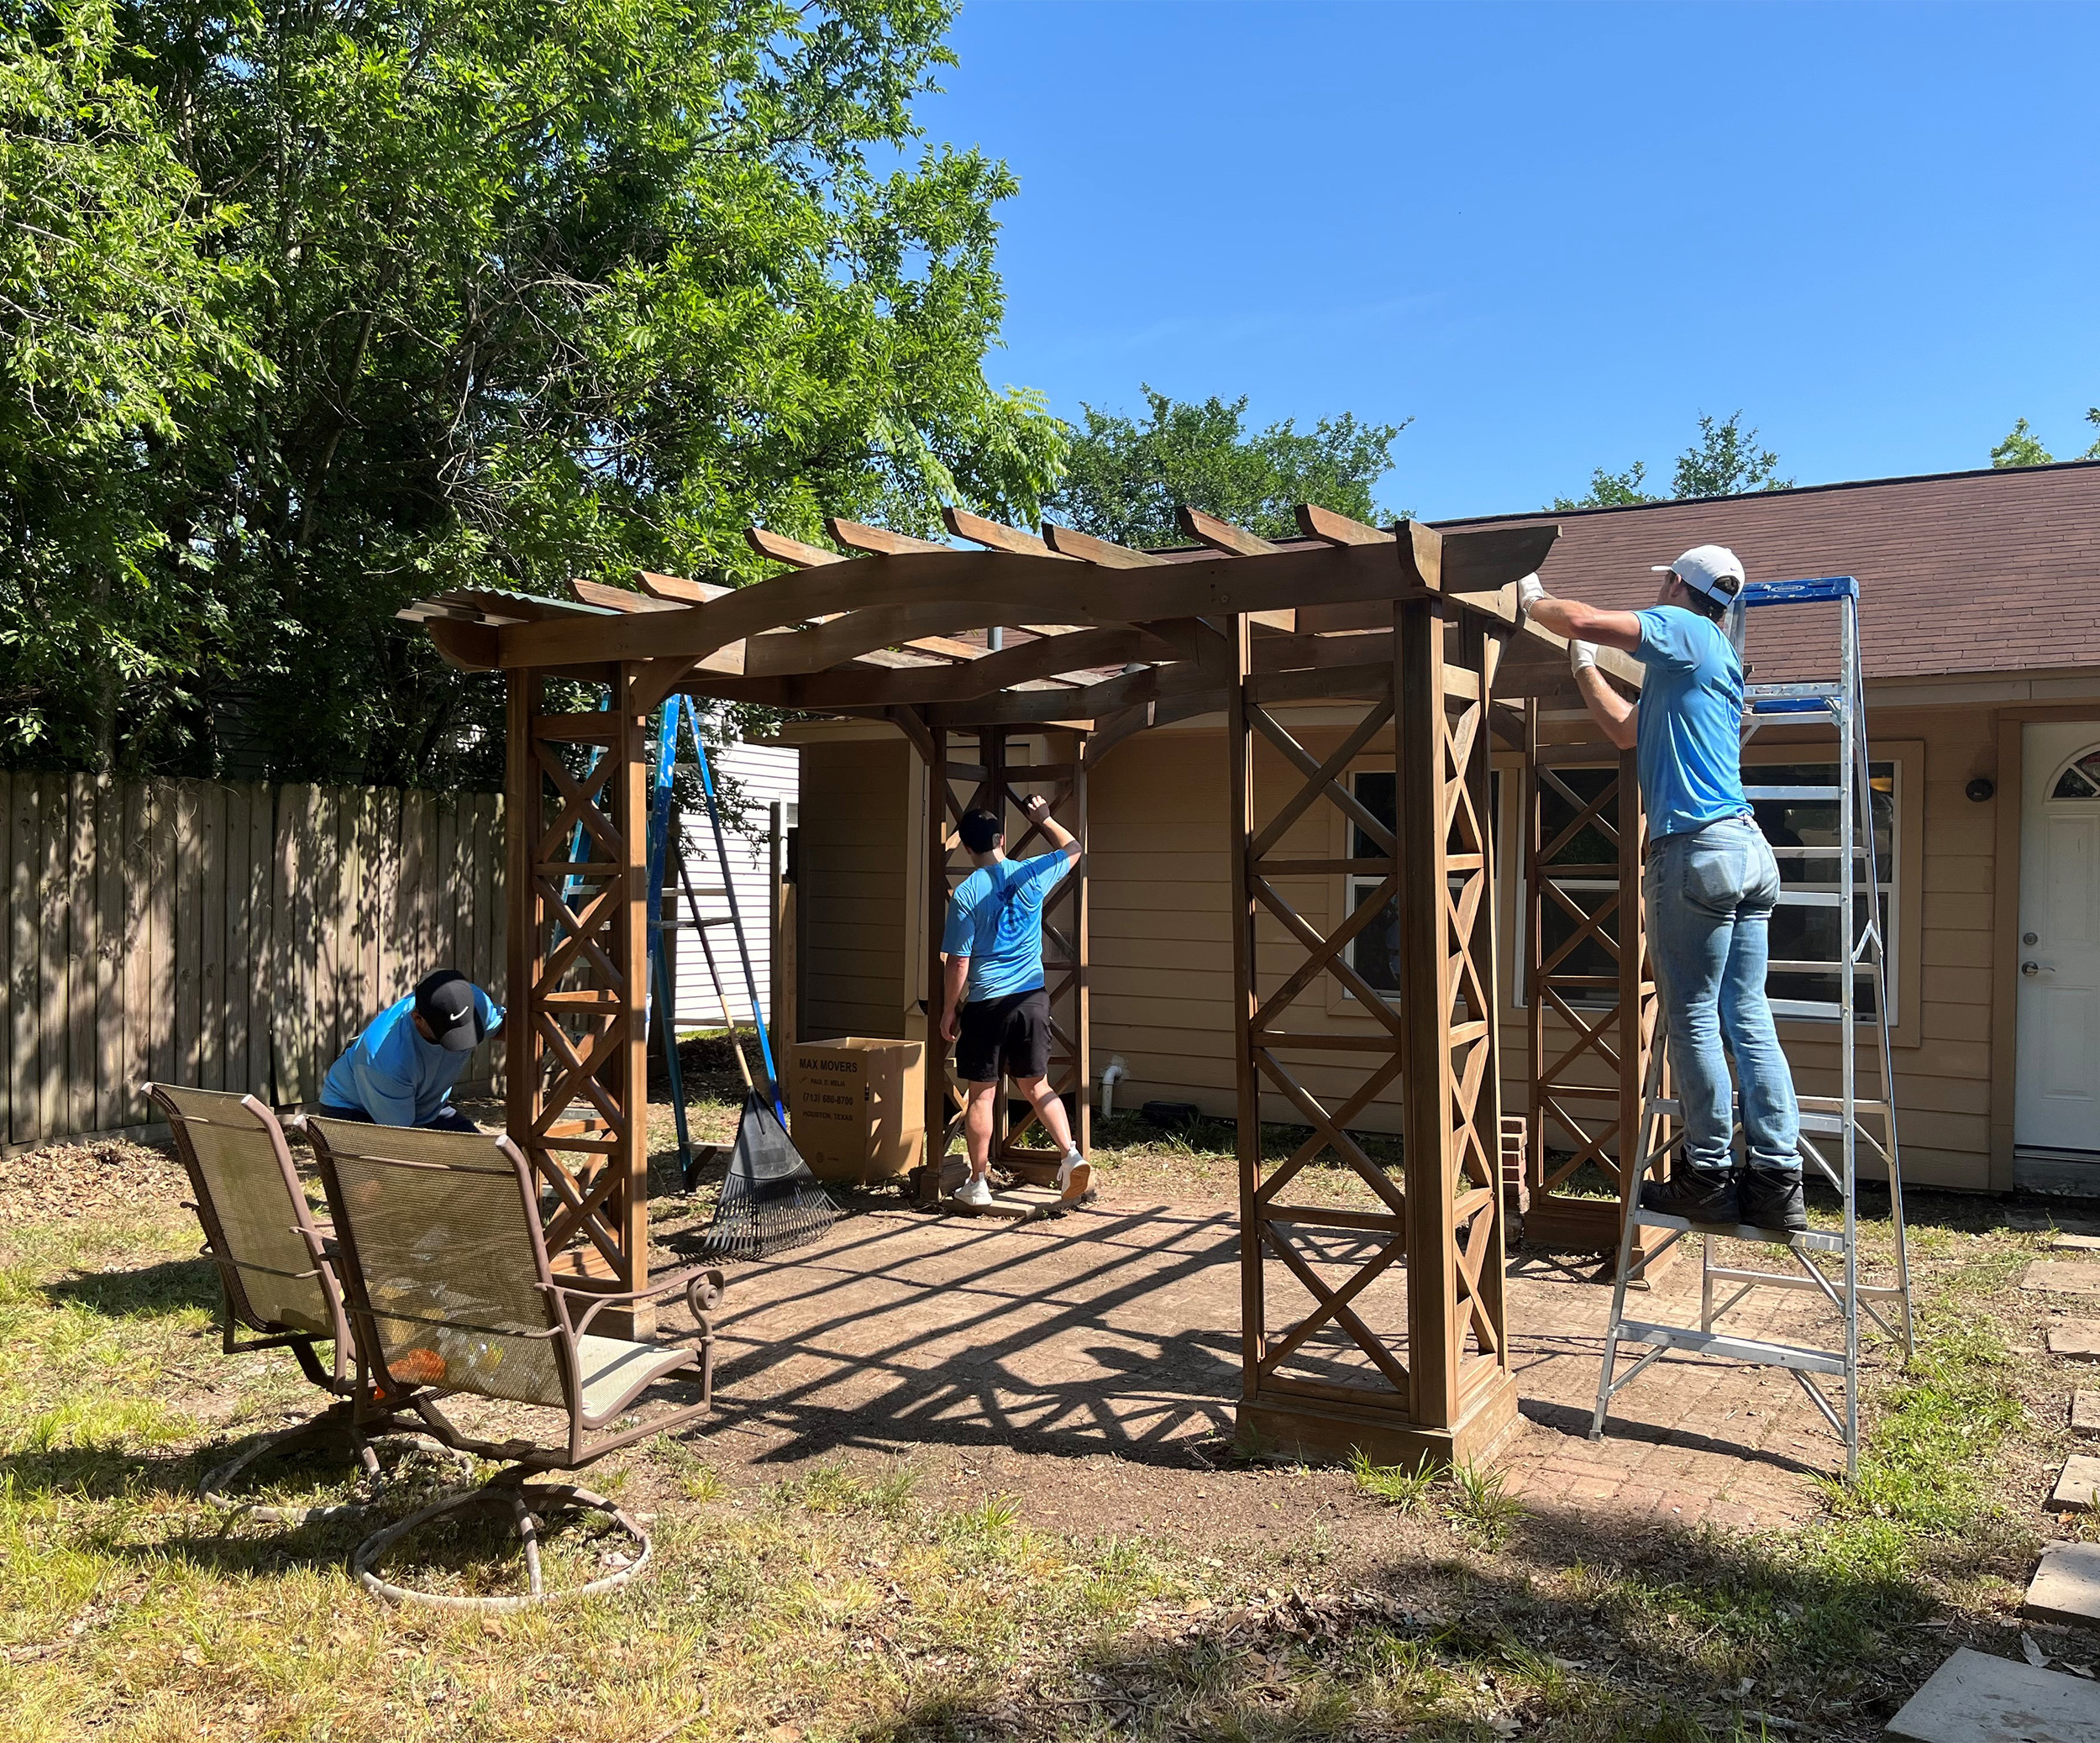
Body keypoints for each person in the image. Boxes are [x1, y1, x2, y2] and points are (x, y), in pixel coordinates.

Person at [1518, 546, 1806, 1232]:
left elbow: (1583, 617)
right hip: (1748, 851)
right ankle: (1775, 1178)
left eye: (1669, 582)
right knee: (1748, 1012)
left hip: (1697, 850)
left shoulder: (1688, 631)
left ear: (1681, 585)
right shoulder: (1704, 670)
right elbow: (1624, 728)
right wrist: (1585, 667)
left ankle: (1706, 1174)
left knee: (1697, 1016)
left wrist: (1532, 599)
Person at [937, 795, 1090, 1207]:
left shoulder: (968, 893)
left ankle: (978, 1182)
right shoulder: (1030, 873)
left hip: (987, 1002)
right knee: (1037, 1085)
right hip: (1031, 998)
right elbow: (1074, 849)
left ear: (968, 848)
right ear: (1002, 839)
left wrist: (951, 1008)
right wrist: (1044, 818)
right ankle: (1070, 1155)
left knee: (982, 1093)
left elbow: (958, 962)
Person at [317, 968, 505, 1132]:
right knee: (407, 1172)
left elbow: (508, 1030)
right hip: (352, 1110)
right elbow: (402, 1138)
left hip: (423, 1105)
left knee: (485, 1161)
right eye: (448, 1034)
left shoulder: (475, 1004)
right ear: (418, 1019)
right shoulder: (386, 1058)